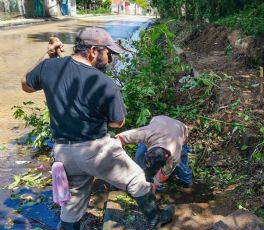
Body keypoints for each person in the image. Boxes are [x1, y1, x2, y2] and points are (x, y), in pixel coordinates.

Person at [21, 27, 174, 230]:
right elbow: (117, 123)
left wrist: (47, 56)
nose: (110, 59)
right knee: (138, 180)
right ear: (93, 51)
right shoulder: (104, 83)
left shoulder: (48, 67)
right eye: (108, 53)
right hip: (95, 150)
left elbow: (25, 84)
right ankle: (156, 218)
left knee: (72, 205)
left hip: (63, 153)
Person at [116, 115, 193, 190]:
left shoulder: (174, 156)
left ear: (167, 157)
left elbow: (164, 174)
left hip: (179, 131)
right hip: (159, 122)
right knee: (139, 157)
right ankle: (144, 178)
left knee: (181, 162)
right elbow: (119, 138)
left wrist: (155, 184)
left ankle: (187, 181)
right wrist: (118, 156)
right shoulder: (144, 133)